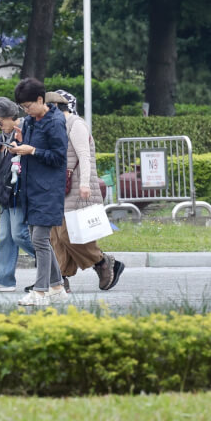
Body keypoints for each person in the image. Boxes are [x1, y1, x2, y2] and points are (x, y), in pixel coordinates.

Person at [48, 90, 124, 292]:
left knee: (67, 233)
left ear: (56, 106)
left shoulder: (75, 124)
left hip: (76, 187)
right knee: (55, 235)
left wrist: (84, 184)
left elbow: (84, 156)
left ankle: (102, 261)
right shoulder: (56, 126)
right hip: (59, 187)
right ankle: (60, 279)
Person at [10, 78, 69, 306]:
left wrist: (32, 150)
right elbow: (32, 149)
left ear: (40, 99)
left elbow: (58, 156)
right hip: (31, 188)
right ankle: (57, 287)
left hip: (47, 190)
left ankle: (41, 291)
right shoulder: (30, 122)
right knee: (39, 240)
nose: (26, 111)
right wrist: (20, 144)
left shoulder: (55, 122)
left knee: (40, 241)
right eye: (23, 108)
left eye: (28, 106)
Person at [0, 97, 36, 292]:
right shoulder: (4, 137)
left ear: (11, 116)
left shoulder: (26, 130)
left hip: (19, 192)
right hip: (6, 192)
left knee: (20, 234)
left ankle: (55, 264)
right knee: (6, 236)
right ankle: (4, 280)